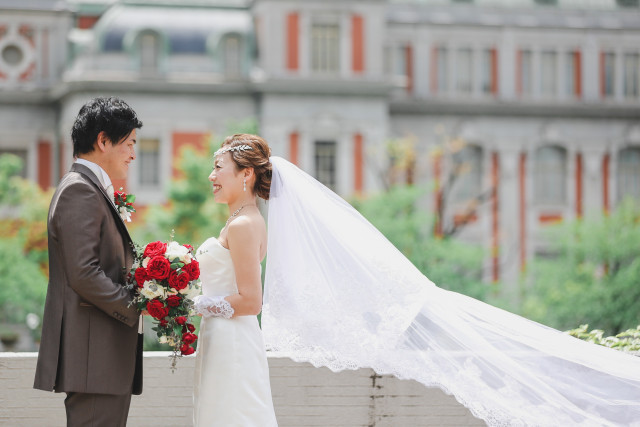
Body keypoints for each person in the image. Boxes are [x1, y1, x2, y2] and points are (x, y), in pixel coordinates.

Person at [33, 97, 144, 427]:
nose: (133, 154)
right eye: (129, 143)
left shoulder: (90, 188)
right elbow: (83, 272)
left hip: (101, 359)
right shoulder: (79, 190)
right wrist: (135, 305)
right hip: (95, 358)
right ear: (103, 140)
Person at [192, 134, 278, 426]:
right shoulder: (242, 219)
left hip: (232, 343)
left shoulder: (243, 225)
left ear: (246, 173)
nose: (211, 175)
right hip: (223, 337)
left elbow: (252, 301)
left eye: (218, 167)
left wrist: (197, 304)